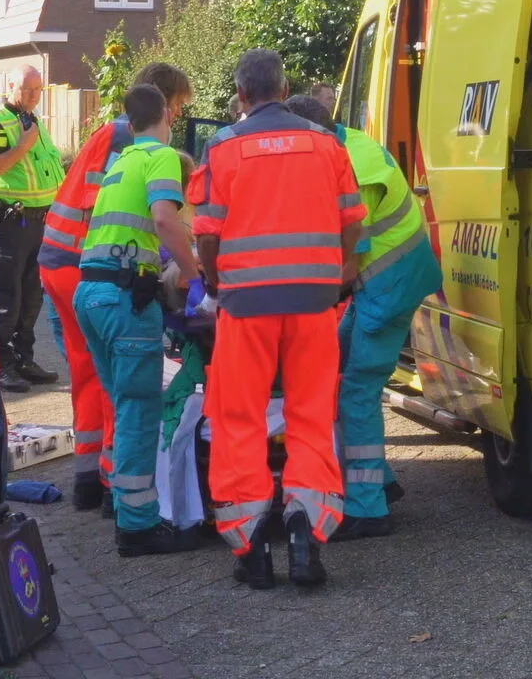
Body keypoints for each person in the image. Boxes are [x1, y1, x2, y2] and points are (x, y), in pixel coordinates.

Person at [191, 48, 365, 590]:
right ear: (285, 88)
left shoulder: (223, 147)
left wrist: (216, 284)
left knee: (239, 416)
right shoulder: (326, 143)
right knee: (311, 414)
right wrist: (333, 276)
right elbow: (353, 223)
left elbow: (206, 234)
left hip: (246, 304)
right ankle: (306, 534)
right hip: (314, 301)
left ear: (241, 94)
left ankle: (251, 547)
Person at [38, 62, 193, 512]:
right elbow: (124, 214)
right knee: (120, 380)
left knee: (88, 372)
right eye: (178, 105)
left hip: (61, 261)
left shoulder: (109, 135)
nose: (179, 115)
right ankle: (115, 487)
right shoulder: (130, 142)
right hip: (89, 265)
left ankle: (88, 478)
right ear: (163, 103)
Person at [285, 95, 440, 539]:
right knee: (337, 366)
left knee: (356, 391)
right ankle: (379, 482)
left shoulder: (352, 167)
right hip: (387, 281)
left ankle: (368, 508)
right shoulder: (348, 144)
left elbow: (348, 259)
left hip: (388, 287)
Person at [73, 84, 205, 557]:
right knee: (138, 411)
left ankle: (126, 506)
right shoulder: (161, 156)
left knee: (123, 404)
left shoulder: (121, 160)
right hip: (125, 300)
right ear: (168, 113)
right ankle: (137, 526)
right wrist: (197, 282)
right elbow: (165, 221)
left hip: (91, 294)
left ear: (128, 123)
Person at [0, 67, 67, 393]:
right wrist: (23, 147)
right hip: (10, 223)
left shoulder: (34, 122)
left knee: (32, 296)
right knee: (7, 296)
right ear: (10, 86)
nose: (33, 95)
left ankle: (23, 360)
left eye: (38, 89)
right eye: (26, 89)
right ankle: (0, 364)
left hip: (40, 221)